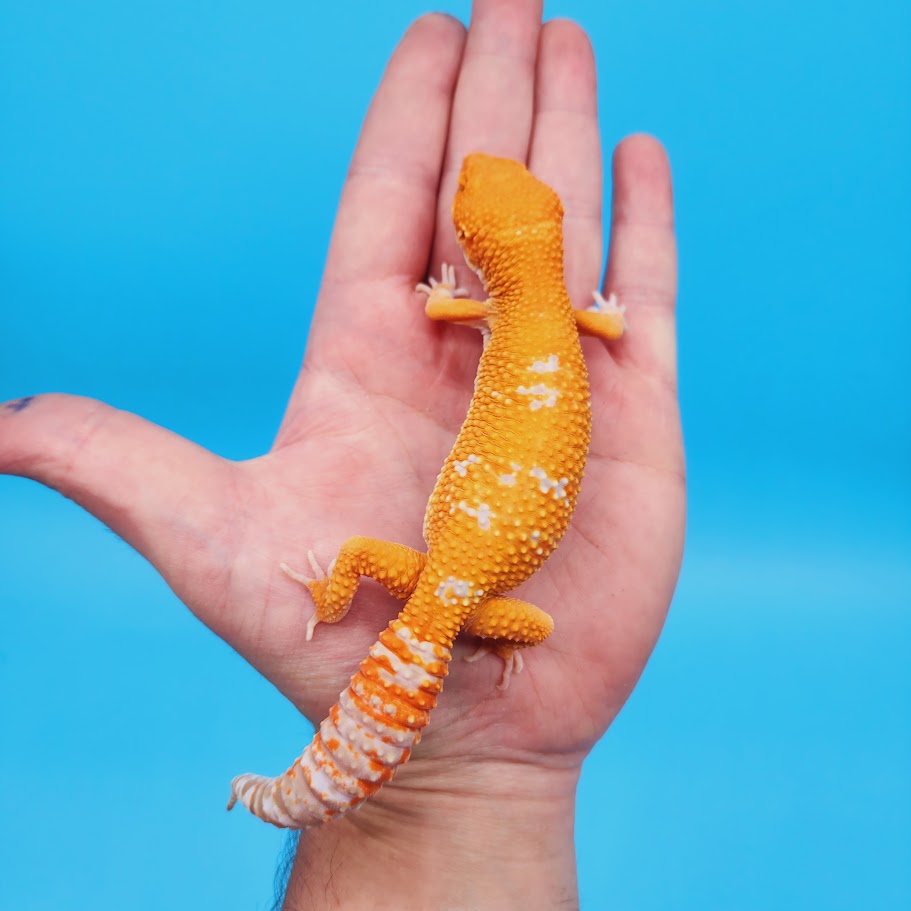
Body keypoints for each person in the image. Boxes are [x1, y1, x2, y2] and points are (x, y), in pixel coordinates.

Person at [0, 1, 683, 907]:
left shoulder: (496, 312)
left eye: (474, 201)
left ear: (485, 249)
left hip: (451, 577)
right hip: (474, 587)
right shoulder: (559, 312)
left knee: (362, 566)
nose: (474, 180)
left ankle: (321, 698)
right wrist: (478, 667)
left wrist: (345, 605)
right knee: (526, 630)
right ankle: (372, 716)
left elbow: (449, 309)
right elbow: (603, 322)